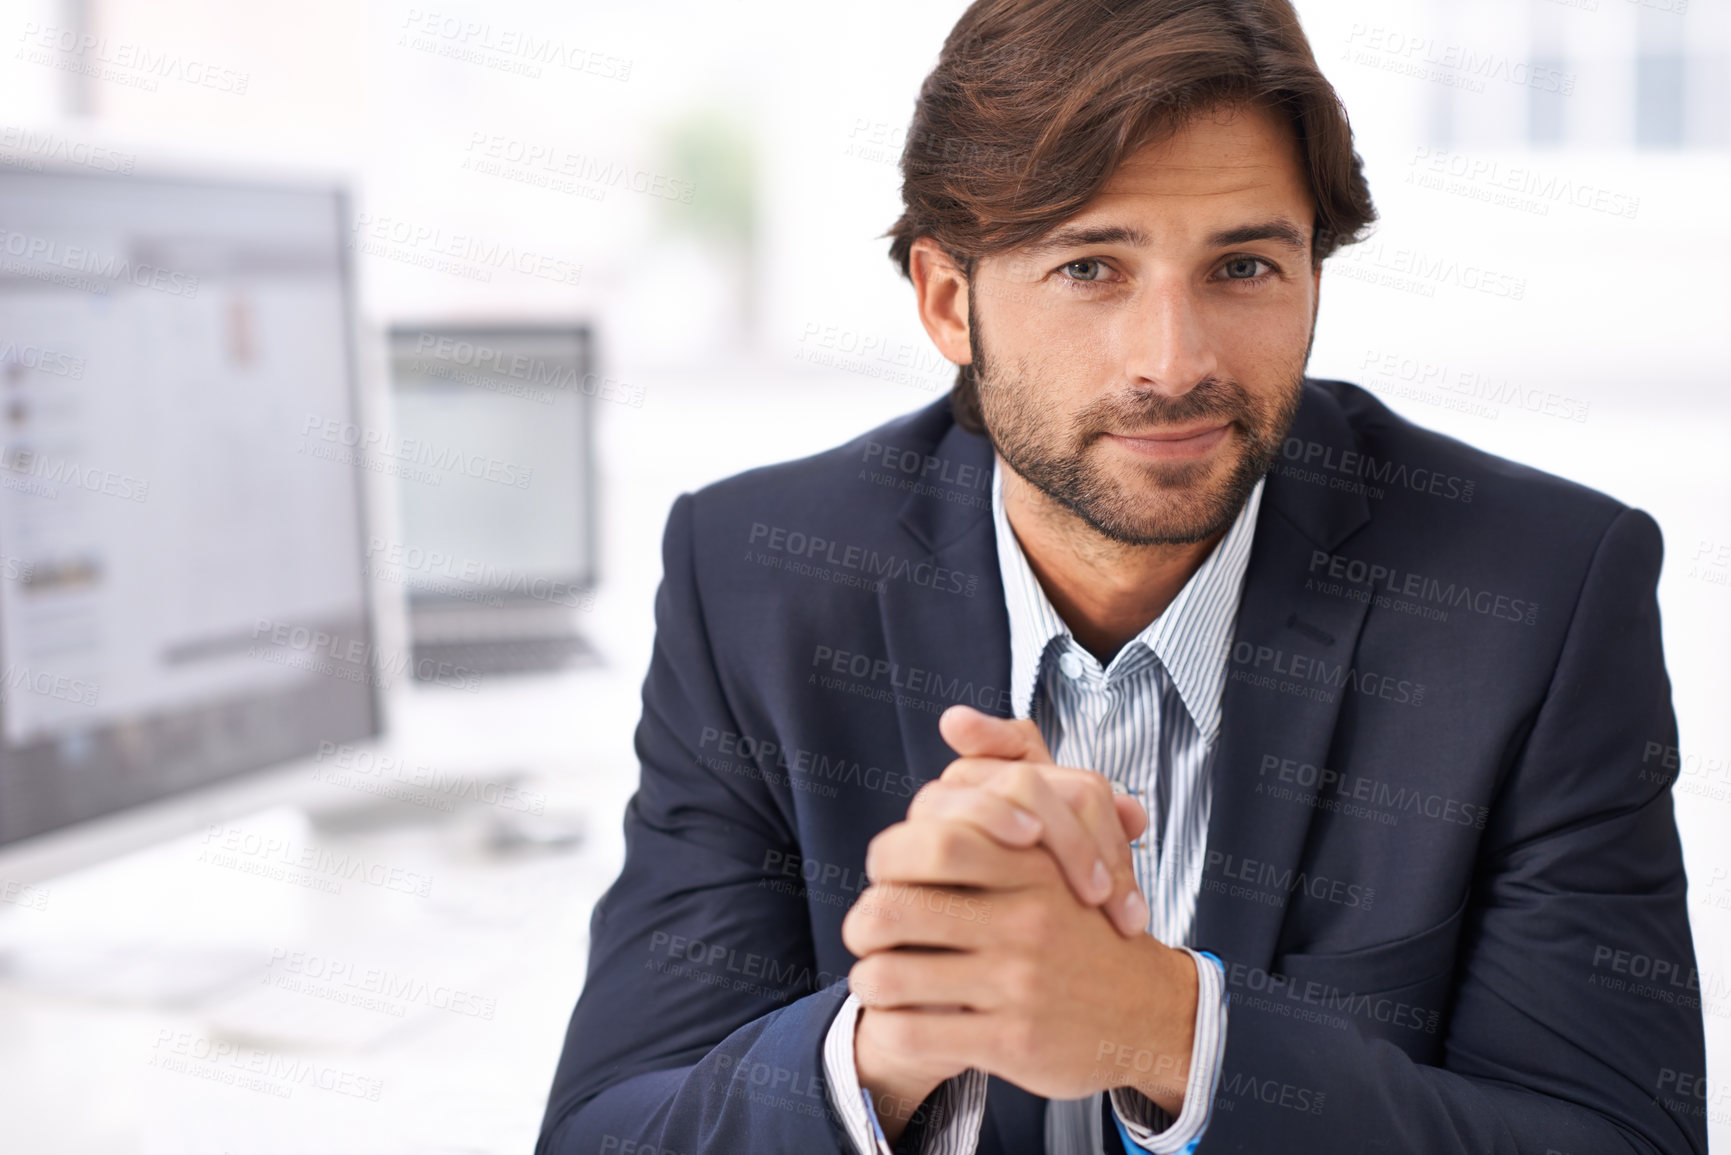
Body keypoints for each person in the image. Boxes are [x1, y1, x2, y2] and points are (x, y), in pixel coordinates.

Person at [537, 1, 1708, 1152]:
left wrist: (1169, 1031)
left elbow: (1616, 1135)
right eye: (1092, 267)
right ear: (951, 303)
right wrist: (896, 1035)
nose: (1175, 362)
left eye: (1243, 266)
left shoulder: (1541, 597)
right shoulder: (755, 577)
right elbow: (606, 1130)